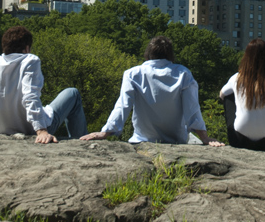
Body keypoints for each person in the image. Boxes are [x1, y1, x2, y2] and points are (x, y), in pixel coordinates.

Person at [80, 35, 221, 145]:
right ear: (170, 55)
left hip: (142, 140)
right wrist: (205, 137)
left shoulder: (133, 73)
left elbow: (123, 105)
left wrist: (105, 132)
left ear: (148, 54)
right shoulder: (183, 73)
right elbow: (192, 109)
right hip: (176, 140)